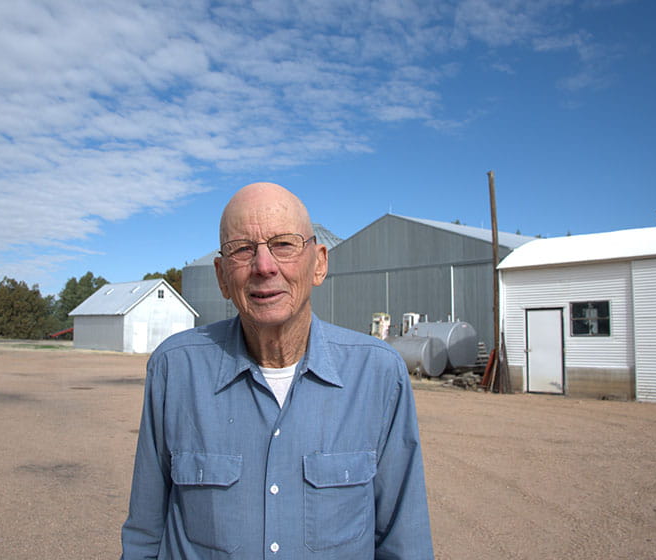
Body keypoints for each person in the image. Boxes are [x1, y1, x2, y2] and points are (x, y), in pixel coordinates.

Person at [120, 182, 433, 559]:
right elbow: (145, 531)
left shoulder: (378, 374)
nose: (264, 267)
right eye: (242, 250)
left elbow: (404, 541)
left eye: (283, 244)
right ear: (221, 276)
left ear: (318, 263)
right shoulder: (176, 369)